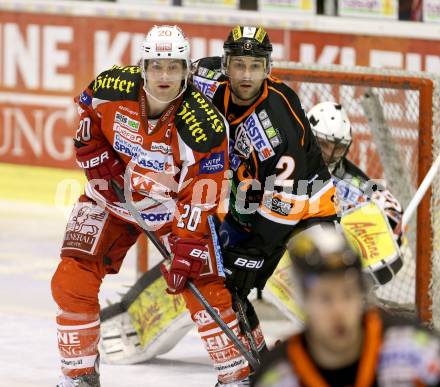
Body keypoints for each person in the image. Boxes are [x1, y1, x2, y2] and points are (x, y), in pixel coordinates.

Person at [51, 24, 240, 387]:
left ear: (187, 71)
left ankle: (235, 376)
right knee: (71, 277)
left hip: (172, 210)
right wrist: (94, 153)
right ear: (142, 67)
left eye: (173, 67)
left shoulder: (204, 125)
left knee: (205, 283)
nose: (164, 76)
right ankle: (79, 376)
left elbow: (201, 194)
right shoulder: (111, 86)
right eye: (156, 66)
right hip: (112, 196)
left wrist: (186, 245)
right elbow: (87, 114)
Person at [192, 25, 337, 382]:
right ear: (225, 63)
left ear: (267, 68)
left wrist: (255, 248)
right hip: (253, 196)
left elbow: (288, 201)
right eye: (238, 64)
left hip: (307, 209)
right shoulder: (207, 76)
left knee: (327, 299)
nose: (246, 75)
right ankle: (256, 364)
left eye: (255, 66)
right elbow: (164, 76)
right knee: (229, 285)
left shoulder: (277, 123)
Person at [252, 225, 440, 387]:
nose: (339, 310)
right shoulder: (278, 377)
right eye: (325, 298)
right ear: (303, 301)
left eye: (348, 294)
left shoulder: (414, 350)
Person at [307, 101, 405, 284]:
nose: (330, 154)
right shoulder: (288, 162)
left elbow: (393, 206)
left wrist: (389, 230)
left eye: (338, 148)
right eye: (324, 144)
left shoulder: (353, 178)